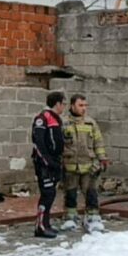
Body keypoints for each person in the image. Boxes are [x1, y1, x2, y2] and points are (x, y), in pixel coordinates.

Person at [61, 94, 109, 233]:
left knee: (91, 192)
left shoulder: (90, 123)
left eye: (85, 105)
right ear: (72, 106)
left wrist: (102, 158)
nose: (84, 108)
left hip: (89, 165)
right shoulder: (64, 123)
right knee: (70, 192)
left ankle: (93, 217)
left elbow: (98, 142)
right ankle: (70, 217)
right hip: (70, 165)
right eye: (80, 105)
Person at [31, 91, 66, 239]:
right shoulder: (42, 118)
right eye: (63, 103)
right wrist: (47, 162)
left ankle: (46, 223)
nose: (64, 107)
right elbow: (38, 142)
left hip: (55, 161)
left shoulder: (56, 119)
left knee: (51, 194)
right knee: (47, 194)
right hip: (44, 163)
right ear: (57, 103)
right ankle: (40, 226)